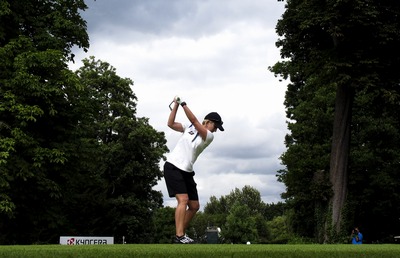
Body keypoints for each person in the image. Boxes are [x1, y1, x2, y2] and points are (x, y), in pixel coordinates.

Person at [163, 96, 224, 244]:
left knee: (194, 206)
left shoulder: (208, 136)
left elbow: (195, 121)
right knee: (183, 200)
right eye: (215, 126)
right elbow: (170, 124)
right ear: (208, 122)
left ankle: (180, 234)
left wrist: (183, 104)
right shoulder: (188, 128)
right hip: (173, 166)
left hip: (187, 171)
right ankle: (179, 236)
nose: (215, 130)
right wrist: (177, 105)